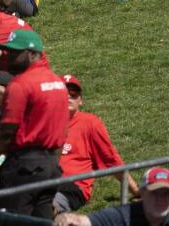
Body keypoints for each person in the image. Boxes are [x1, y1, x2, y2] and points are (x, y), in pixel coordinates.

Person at [0, 29, 66, 217]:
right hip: (50, 167)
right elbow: (61, 133)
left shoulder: (20, 85)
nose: (9, 57)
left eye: (16, 53)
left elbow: (5, 132)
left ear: (33, 54)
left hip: (23, 167)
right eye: (8, 52)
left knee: (9, 220)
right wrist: (53, 165)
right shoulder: (58, 84)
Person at [58, 75, 138, 213]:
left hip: (72, 185)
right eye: (63, 94)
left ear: (80, 100)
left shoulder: (90, 123)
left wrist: (136, 191)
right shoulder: (46, 122)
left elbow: (111, 160)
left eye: (73, 94)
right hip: (44, 181)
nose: (68, 97)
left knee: (45, 208)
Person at [55, 167, 169, 226]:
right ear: (142, 193)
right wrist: (67, 218)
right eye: (154, 192)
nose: (160, 199)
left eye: (166, 193)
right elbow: (87, 221)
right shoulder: (124, 215)